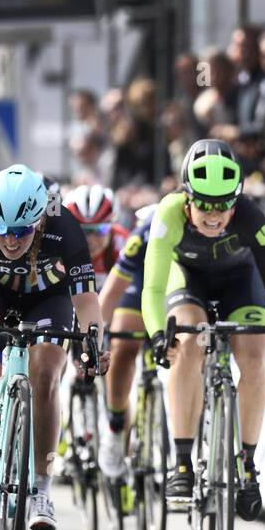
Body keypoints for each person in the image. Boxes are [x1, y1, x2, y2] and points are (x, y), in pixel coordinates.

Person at [0, 164, 110, 530]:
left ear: (40, 218)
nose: (12, 240)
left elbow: (84, 297)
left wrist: (94, 338)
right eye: (2, 230)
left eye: (22, 231)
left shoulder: (63, 225)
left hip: (47, 298)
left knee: (47, 375)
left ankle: (41, 492)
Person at [142, 140, 265, 521]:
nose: (214, 214)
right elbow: (153, 287)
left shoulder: (252, 215)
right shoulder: (169, 213)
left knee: (254, 356)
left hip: (241, 281)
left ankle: (247, 463)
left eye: (223, 205)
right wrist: (157, 334)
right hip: (190, 281)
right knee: (189, 342)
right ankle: (182, 462)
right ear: (187, 199)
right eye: (204, 204)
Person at [96, 204, 157, 479]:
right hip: (138, 286)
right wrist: (97, 336)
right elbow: (113, 292)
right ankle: (116, 423)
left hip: (176, 288)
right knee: (124, 343)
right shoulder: (141, 238)